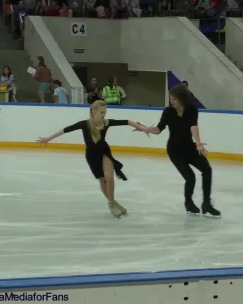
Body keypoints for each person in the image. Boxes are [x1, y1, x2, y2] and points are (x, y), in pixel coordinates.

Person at [36, 100, 148, 218]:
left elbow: (127, 121)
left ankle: (111, 203)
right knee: (102, 181)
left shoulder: (106, 123)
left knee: (109, 178)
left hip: (105, 152)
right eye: (101, 112)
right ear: (94, 111)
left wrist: (142, 128)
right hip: (92, 156)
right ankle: (113, 203)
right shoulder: (84, 124)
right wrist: (48, 139)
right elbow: (65, 130)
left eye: (104, 112)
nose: (103, 115)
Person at [141, 84, 220, 217]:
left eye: (174, 98)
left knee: (207, 170)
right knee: (190, 177)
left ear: (182, 99)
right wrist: (147, 129)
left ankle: (207, 204)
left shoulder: (192, 110)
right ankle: (188, 203)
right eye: (171, 98)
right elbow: (159, 129)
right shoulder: (168, 112)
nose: (171, 101)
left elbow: (193, 127)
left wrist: (198, 143)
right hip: (174, 150)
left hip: (189, 147)